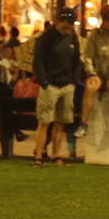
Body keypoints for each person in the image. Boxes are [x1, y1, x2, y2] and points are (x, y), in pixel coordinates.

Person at [31, 9, 82, 167]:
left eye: (72, 24)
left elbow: (77, 60)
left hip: (67, 85)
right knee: (44, 122)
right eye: (67, 23)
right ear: (59, 21)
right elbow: (38, 60)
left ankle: (56, 155)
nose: (69, 27)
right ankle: (38, 156)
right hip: (51, 84)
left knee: (61, 122)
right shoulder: (46, 38)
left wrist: (74, 80)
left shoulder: (72, 38)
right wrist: (44, 81)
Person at [79, 3, 109, 139]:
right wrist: (91, 72)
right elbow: (88, 55)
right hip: (99, 72)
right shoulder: (95, 35)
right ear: (104, 22)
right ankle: (83, 124)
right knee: (90, 86)